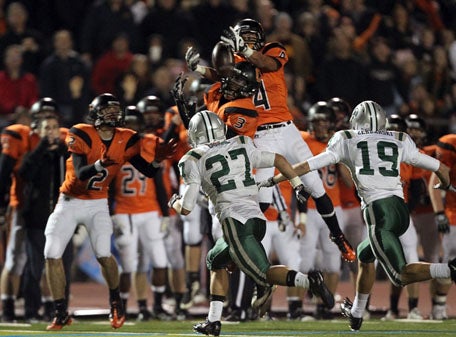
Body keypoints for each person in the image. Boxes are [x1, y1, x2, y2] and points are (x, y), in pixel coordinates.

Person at [259, 100, 456, 331]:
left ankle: (450, 269)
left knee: (400, 275)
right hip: (400, 211)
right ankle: (357, 313)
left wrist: (276, 178)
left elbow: (308, 166)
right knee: (364, 254)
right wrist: (443, 185)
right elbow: (442, 170)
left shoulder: (347, 138)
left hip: (378, 212)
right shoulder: (399, 138)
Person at [169, 110, 335, 336]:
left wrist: (175, 202)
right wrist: (297, 184)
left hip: (235, 223)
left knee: (264, 274)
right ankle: (213, 321)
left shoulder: (193, 158)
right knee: (215, 261)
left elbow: (187, 208)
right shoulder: (241, 143)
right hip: (257, 218)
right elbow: (278, 159)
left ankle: (310, 281)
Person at [215, 18, 355, 263]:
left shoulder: (272, 49)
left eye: (250, 37)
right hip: (260, 135)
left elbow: (268, 64)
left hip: (287, 129)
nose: (247, 42)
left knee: (316, 185)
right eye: (243, 38)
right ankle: (242, 248)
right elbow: (219, 74)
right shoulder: (235, 63)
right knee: (262, 200)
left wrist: (245, 51)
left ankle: (337, 235)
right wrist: (199, 69)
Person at [43, 93, 176, 331]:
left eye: (116, 110)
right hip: (70, 201)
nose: (114, 114)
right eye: (108, 110)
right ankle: (60, 310)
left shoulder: (127, 138)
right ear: (95, 113)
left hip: (98, 203)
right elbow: (82, 173)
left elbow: (146, 171)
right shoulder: (80, 132)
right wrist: (99, 165)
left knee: (104, 253)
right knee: (51, 253)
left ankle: (116, 300)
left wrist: (156, 161)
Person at [0, 97, 60, 322]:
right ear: (35, 121)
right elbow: (9, 172)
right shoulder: (21, 137)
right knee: (15, 259)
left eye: (51, 119)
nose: (48, 124)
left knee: (47, 259)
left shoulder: (60, 139)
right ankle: (7, 308)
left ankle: (46, 308)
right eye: (43, 118)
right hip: (22, 205)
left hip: (49, 208)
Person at [110, 105, 171, 321]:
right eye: (129, 125)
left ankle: (156, 306)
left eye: (135, 125)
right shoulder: (113, 147)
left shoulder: (153, 143)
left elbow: (160, 183)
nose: (132, 130)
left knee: (161, 262)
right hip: (125, 212)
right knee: (129, 266)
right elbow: (107, 186)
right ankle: (123, 306)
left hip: (150, 211)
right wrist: (110, 213)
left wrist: (165, 213)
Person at [18, 113, 72, 322]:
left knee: (63, 266)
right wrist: (42, 149)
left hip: (63, 218)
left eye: (54, 127)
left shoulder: (64, 154)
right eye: (46, 128)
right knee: (35, 267)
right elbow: (25, 174)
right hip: (37, 218)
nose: (50, 131)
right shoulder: (33, 154)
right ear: (38, 131)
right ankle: (32, 310)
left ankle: (59, 309)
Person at [428, 133, 456, 320]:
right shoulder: (450, 144)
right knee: (450, 264)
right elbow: (435, 181)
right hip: (454, 215)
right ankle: (439, 307)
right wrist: (439, 213)